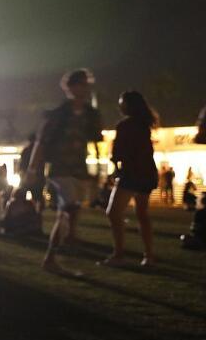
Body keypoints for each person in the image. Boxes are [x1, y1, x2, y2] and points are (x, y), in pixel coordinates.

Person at [22, 68, 103, 276]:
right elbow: (41, 142)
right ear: (71, 87)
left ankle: (56, 253)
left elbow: (94, 141)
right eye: (80, 84)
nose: (84, 89)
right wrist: (32, 169)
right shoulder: (58, 114)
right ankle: (59, 249)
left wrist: (97, 169)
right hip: (60, 169)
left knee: (68, 213)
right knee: (68, 208)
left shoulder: (90, 114)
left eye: (86, 85)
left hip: (78, 169)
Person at [100, 91, 159, 267]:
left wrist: (115, 166)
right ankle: (148, 255)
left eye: (121, 102)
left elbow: (118, 152)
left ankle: (119, 254)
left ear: (128, 105)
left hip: (131, 174)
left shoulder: (125, 126)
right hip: (147, 173)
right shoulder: (144, 124)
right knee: (142, 214)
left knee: (114, 212)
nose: (119, 106)